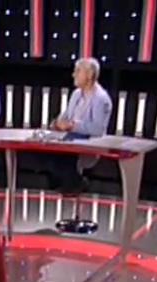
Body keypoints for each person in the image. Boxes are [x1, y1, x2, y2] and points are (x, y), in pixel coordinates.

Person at [47, 57, 113, 193]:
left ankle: (77, 183)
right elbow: (66, 115)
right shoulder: (76, 94)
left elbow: (98, 129)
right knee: (47, 153)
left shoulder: (101, 99)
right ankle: (68, 184)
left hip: (88, 143)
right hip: (68, 139)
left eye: (78, 71)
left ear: (90, 74)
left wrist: (73, 126)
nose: (73, 75)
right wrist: (56, 123)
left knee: (61, 159)